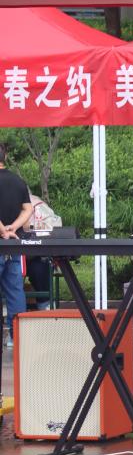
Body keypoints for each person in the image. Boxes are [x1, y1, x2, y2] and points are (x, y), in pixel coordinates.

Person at [0, 144, 33, 344]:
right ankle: (18, 339)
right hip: (14, 244)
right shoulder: (18, 181)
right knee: (15, 292)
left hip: (3, 239)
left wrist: (2, 231)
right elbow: (28, 209)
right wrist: (13, 227)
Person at [25, 191, 63, 309]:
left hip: (35, 255)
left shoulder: (38, 206)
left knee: (39, 269)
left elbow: (55, 227)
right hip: (10, 255)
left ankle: (45, 305)